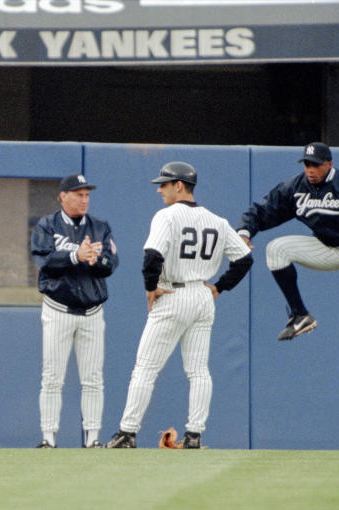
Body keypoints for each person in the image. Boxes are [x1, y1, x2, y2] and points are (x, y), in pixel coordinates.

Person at [105, 162, 253, 449]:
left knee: (145, 368)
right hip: (201, 295)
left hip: (172, 294)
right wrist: (219, 287)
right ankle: (194, 434)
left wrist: (150, 288)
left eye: (164, 183)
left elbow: (152, 256)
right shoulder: (218, 221)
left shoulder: (167, 216)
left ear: (180, 186)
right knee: (198, 370)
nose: (160, 189)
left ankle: (127, 432)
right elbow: (245, 259)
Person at [237, 142, 339, 341]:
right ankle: (300, 315)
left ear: (329, 164)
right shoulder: (296, 188)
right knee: (276, 249)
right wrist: (244, 233)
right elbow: (262, 210)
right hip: (329, 248)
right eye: (307, 164)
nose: (310, 170)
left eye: (316, 165)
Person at [30, 174, 119, 449]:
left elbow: (112, 263)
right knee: (52, 377)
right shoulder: (47, 225)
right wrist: (74, 256)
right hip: (58, 309)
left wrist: (96, 259)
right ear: (63, 196)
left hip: (92, 311)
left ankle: (92, 438)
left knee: (93, 379)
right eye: (78, 194)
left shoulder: (100, 226)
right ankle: (48, 437)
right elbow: (43, 260)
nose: (84, 199)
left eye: (87, 194)